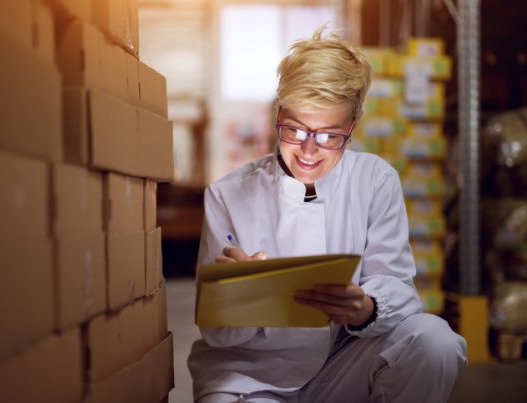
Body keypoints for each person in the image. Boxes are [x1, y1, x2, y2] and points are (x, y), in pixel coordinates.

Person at [188, 25, 467, 403]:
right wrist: (238, 300)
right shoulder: (228, 195)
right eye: (294, 129)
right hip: (251, 376)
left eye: (328, 136)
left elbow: (400, 290)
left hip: (342, 367)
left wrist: (365, 309)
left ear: (353, 126)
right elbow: (215, 333)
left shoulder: (375, 180)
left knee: (435, 342)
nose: (308, 150)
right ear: (277, 114)